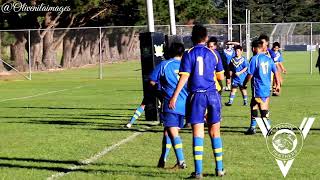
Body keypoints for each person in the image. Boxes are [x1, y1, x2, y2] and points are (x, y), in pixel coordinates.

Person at [169, 25, 226, 178]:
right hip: (213, 95)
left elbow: (184, 77)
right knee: (215, 132)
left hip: (197, 96)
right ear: (206, 38)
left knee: (198, 133)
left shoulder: (189, 54)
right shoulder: (214, 53)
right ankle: (220, 169)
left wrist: (174, 96)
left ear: (192, 38)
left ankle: (198, 172)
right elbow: (220, 77)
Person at [150, 43, 188, 169]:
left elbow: (151, 81)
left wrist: (159, 94)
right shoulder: (186, 66)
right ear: (183, 53)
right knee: (168, 132)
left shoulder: (164, 64)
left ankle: (181, 161)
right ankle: (163, 159)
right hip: (185, 104)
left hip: (170, 103)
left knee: (172, 132)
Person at [243, 39, 280, 135]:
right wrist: (278, 84)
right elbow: (276, 72)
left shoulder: (254, 59)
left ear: (254, 48)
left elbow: (250, 74)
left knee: (262, 107)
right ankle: (252, 127)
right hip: (267, 87)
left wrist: (244, 83)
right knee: (253, 105)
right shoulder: (268, 59)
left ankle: (268, 128)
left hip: (258, 87)